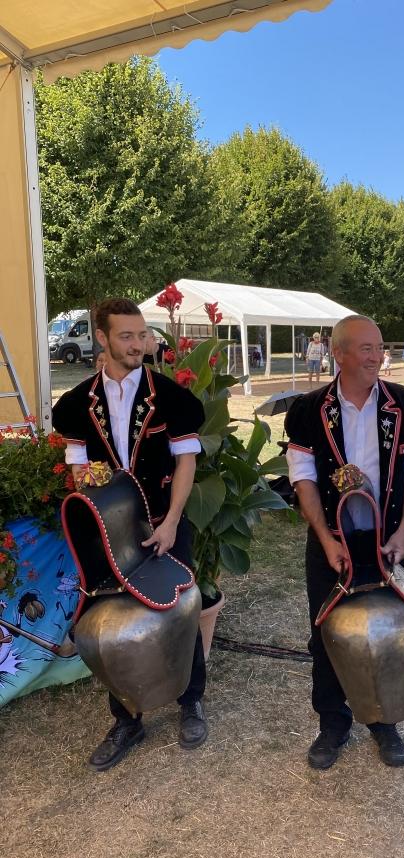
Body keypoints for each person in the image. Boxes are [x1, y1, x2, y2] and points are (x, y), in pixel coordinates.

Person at [52, 298, 208, 772]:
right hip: (108, 532)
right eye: (126, 336)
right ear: (101, 338)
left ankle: (190, 701)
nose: (138, 344)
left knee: (182, 609)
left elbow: (186, 462)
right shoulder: (77, 405)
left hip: (164, 520)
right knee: (111, 618)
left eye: (142, 335)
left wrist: (172, 522)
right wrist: (98, 503)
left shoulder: (172, 398)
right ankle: (127, 718)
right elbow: (79, 472)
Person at [285, 315, 404, 770]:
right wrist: (325, 538)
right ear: (339, 353)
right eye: (366, 348)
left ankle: (383, 721)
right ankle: (332, 724)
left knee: (387, 631)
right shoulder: (309, 410)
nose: (377, 356)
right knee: (326, 633)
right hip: (331, 541)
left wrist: (403, 534)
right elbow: (303, 480)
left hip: (386, 541)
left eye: (379, 347)